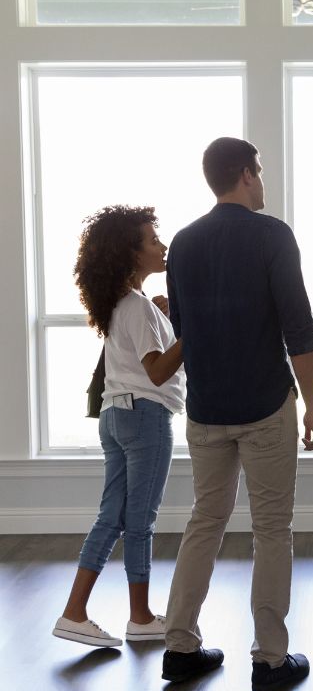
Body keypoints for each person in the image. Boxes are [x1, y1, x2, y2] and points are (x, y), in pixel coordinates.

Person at [162, 136, 313, 691]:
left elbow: (184, 329)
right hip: (264, 407)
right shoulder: (273, 235)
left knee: (205, 521)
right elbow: (298, 330)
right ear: (247, 175)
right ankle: (271, 660)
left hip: (205, 411)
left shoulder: (181, 244)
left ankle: (179, 646)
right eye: (260, 171)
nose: (263, 182)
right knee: (272, 529)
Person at [52, 205, 185, 647]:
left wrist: (164, 317)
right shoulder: (138, 307)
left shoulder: (123, 305)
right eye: (152, 241)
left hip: (114, 416)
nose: (162, 246)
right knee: (140, 522)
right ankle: (142, 617)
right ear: (131, 254)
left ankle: (74, 612)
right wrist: (192, 331)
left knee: (111, 517)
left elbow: (136, 356)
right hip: (145, 417)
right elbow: (158, 372)